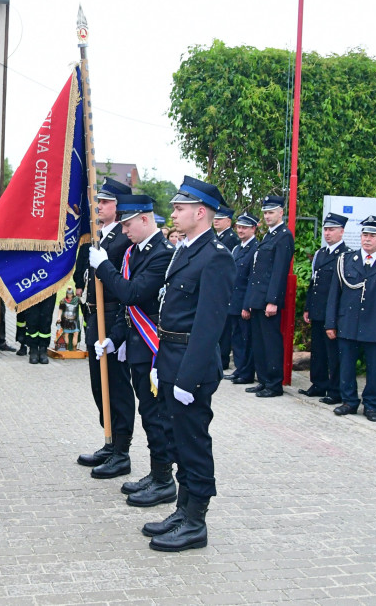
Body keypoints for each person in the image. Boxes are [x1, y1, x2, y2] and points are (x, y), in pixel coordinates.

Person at [141, 176, 235, 552]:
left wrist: (188, 377)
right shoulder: (184, 250)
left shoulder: (216, 256)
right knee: (178, 440)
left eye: (180, 208)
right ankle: (182, 509)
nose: (174, 214)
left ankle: (196, 521)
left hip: (190, 366)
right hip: (171, 357)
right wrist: (161, 363)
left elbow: (209, 325)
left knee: (194, 443)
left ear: (201, 212)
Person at [90, 194, 176, 507]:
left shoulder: (161, 254)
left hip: (153, 348)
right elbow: (127, 311)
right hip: (135, 342)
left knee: (156, 415)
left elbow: (133, 294)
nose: (124, 230)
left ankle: (165, 479)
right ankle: (156, 474)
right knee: (147, 412)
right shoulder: (135, 252)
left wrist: (103, 269)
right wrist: (114, 337)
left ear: (144, 219)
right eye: (123, 224)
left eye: (128, 224)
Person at [73, 177, 134, 473]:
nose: (99, 206)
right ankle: (109, 439)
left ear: (119, 207)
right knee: (100, 384)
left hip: (113, 316)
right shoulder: (102, 237)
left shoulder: (123, 239)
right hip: (95, 314)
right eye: (99, 201)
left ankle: (122, 450)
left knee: (117, 385)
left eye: (106, 202)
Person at [325, 216, 376, 422]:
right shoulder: (346, 260)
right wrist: (331, 323)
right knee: (347, 366)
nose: (367, 239)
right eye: (365, 235)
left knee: (375, 369)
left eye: (373, 236)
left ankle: (371, 405)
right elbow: (335, 294)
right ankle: (349, 401)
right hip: (348, 322)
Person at [242, 195, 295, 398]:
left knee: (271, 343)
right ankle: (263, 380)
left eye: (271, 212)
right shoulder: (268, 236)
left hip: (267, 300)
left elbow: (279, 272)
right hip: (257, 299)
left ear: (281, 213)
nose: (267, 216)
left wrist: (272, 300)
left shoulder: (283, 236)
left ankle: (274, 384)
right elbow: (257, 272)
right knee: (259, 342)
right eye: (265, 212)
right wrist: (249, 302)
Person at [300, 213, 349, 401]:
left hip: (334, 313)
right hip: (318, 310)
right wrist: (308, 307)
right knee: (318, 351)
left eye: (332, 230)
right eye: (326, 230)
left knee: (333, 353)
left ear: (341, 232)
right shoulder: (321, 253)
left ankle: (335, 390)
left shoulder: (345, 255)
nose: (327, 234)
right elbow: (314, 283)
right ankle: (318, 384)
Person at [224, 212, 260, 386]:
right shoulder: (237, 248)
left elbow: (252, 280)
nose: (240, 230)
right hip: (234, 300)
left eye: (244, 227)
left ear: (253, 229)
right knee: (236, 338)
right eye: (239, 227)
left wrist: (247, 305)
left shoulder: (255, 249)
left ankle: (247, 372)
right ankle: (239, 369)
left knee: (247, 339)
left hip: (244, 301)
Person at [213, 204, 239, 371]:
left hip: (225, 289)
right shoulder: (218, 237)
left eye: (219, 219)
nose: (216, 221)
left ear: (228, 221)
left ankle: (222, 360)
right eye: (214, 218)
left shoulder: (231, 239)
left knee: (225, 329)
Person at [22, 291, 57, 364]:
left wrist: (79, 285)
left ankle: (43, 349)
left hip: (49, 288)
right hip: (31, 289)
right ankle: (33, 349)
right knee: (32, 319)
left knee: (46, 319)